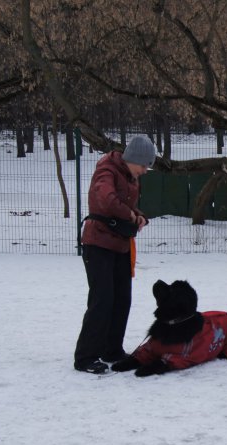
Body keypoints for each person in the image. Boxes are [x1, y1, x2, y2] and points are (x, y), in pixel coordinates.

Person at [73, 136, 155, 374]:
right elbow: (107, 200)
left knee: (122, 299)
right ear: (133, 159)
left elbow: (124, 204)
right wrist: (130, 216)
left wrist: (139, 216)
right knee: (102, 300)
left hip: (120, 244)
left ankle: (112, 349)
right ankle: (86, 356)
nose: (145, 170)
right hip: (98, 243)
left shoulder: (130, 175)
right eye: (144, 165)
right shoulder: (106, 171)